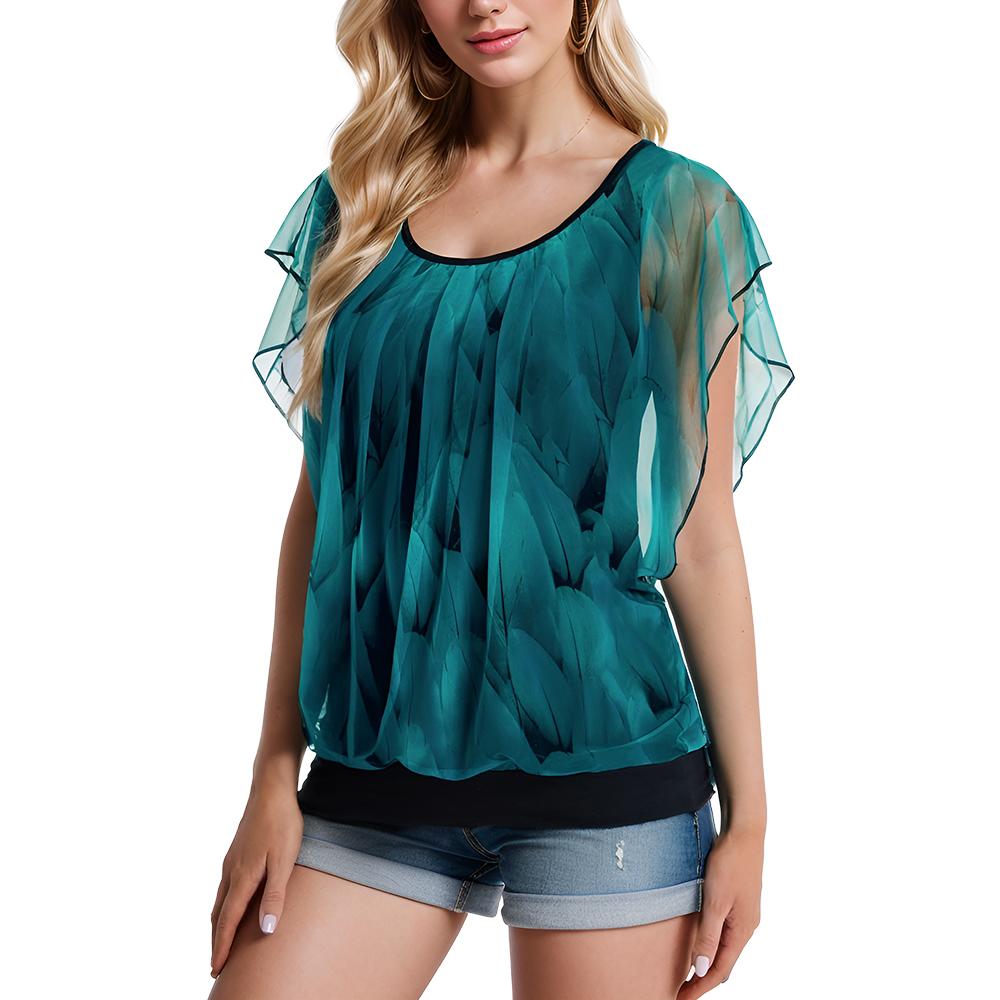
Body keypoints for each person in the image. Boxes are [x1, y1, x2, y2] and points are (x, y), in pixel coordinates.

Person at [209, 1, 794, 997]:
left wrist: (751, 821)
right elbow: (325, 509)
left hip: (609, 778)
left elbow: (699, 541)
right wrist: (273, 766)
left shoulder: (676, 211)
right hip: (374, 772)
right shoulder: (359, 205)